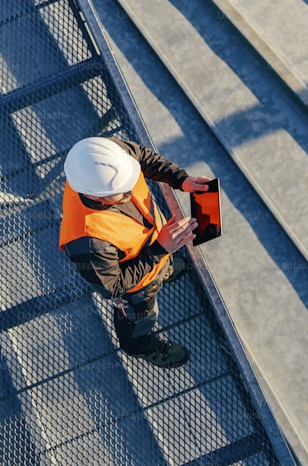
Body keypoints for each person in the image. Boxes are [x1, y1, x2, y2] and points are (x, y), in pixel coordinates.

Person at [59, 137, 211, 367]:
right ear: (94, 196)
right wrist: (160, 248)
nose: (131, 192)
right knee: (139, 319)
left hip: (157, 248)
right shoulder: (87, 241)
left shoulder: (108, 155)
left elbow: (145, 158)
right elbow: (114, 287)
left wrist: (181, 180)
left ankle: (165, 270)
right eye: (121, 192)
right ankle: (140, 347)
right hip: (138, 289)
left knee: (165, 263)